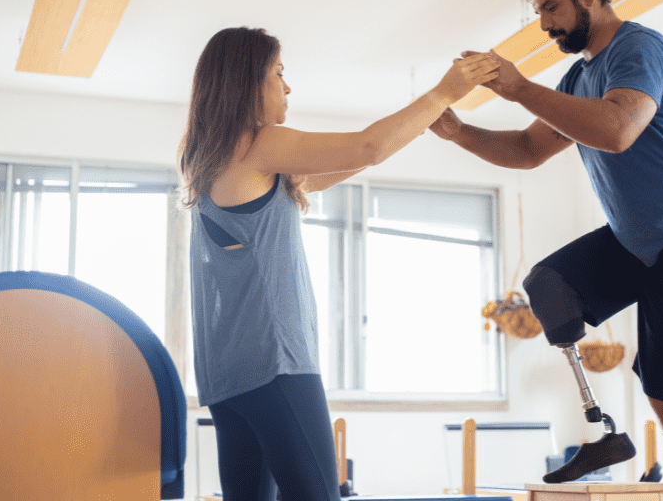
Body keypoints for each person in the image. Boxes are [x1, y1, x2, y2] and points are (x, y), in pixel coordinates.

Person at [429, 0, 663, 501]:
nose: (546, 24)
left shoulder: (639, 49)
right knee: (548, 283)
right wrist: (460, 133)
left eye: (551, 7)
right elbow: (531, 148)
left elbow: (619, 129)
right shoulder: (578, 77)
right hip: (641, 238)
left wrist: (520, 87)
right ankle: (603, 429)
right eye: (538, 12)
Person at [177, 26, 499, 501]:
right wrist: (443, 92)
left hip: (226, 377)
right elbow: (366, 146)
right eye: (279, 74)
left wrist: (416, 124)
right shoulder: (262, 144)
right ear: (248, 82)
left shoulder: (209, 157)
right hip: (277, 364)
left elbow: (337, 169)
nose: (287, 87)